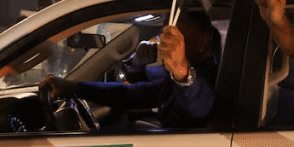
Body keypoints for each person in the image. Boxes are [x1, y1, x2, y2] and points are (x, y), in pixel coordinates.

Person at [41, 12, 218, 129]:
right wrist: (71, 87)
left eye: (173, 38)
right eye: (163, 36)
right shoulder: (171, 81)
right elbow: (128, 94)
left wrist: (182, 72)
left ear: (201, 43)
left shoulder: (213, 77)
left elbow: (200, 106)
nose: (164, 44)